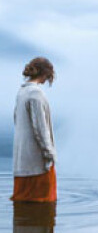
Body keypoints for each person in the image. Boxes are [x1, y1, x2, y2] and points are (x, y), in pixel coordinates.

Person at [12, 57, 57, 202]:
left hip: (22, 161)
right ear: (46, 74)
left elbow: (16, 119)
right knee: (43, 203)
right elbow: (40, 128)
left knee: (22, 203)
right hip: (37, 162)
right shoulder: (36, 94)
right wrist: (50, 153)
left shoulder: (22, 92)